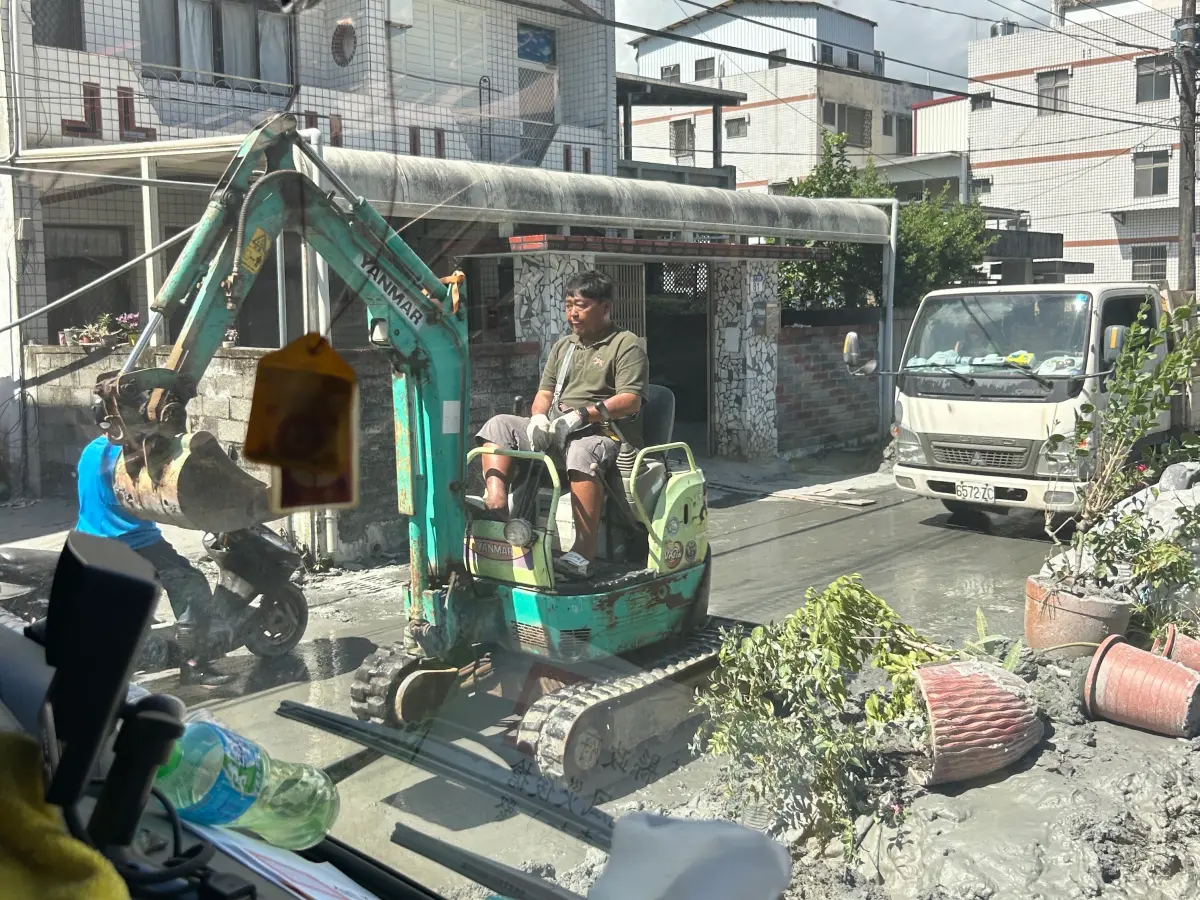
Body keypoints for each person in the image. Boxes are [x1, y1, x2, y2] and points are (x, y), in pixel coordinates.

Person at [476, 270, 649, 579]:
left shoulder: (626, 344)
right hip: (557, 430)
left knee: (583, 451)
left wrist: (581, 415)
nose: (572, 313)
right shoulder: (564, 346)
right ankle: (497, 509)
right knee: (498, 425)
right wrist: (539, 418)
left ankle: (582, 553)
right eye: (568, 304)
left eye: (580, 305)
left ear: (605, 307)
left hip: (602, 433)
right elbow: (544, 392)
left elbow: (630, 400)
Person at [74, 434, 232, 687]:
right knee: (192, 584)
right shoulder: (130, 460)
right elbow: (168, 494)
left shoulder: (93, 450)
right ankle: (194, 666)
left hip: (87, 538)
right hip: (129, 542)